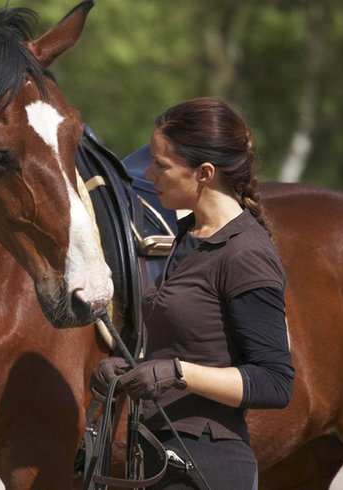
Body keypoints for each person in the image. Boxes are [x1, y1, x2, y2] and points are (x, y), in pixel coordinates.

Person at [91, 97, 294, 489]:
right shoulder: (188, 236)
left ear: (204, 173)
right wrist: (130, 368)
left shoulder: (246, 253)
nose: (148, 175)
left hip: (208, 466)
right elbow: (191, 343)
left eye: (162, 165)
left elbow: (274, 382)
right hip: (162, 459)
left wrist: (178, 374)